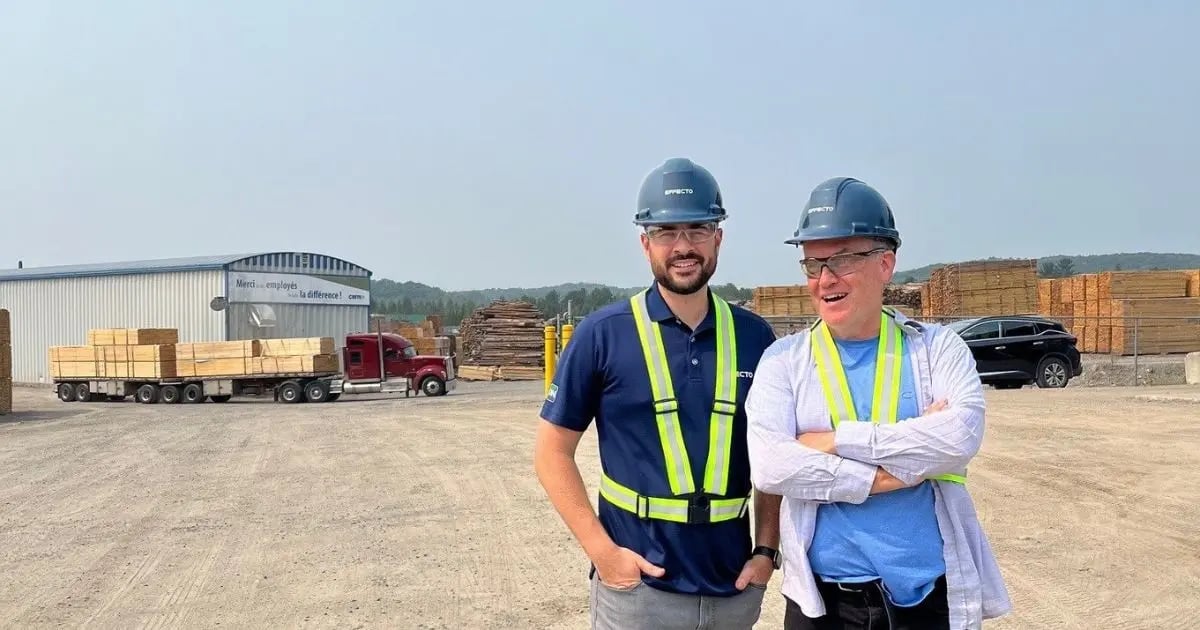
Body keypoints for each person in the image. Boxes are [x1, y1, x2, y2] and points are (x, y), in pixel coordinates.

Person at [745, 177, 1012, 629]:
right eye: (813, 264)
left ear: (886, 263)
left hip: (925, 603)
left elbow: (959, 437)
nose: (825, 279)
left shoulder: (937, 349)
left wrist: (834, 440)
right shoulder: (784, 361)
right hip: (825, 608)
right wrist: (889, 475)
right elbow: (772, 466)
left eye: (843, 259)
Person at [534, 157, 784, 629]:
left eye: (698, 229)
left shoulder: (755, 338)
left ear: (719, 238)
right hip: (639, 592)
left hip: (733, 590)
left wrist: (767, 549)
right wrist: (603, 553)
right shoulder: (603, 334)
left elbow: (772, 454)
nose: (683, 246)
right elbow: (551, 453)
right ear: (644, 242)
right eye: (667, 232)